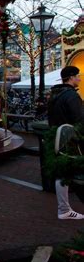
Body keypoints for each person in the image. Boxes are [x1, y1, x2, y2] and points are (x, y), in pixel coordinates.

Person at [47, 65, 84, 220]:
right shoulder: (71, 96)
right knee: (69, 173)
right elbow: (80, 120)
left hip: (57, 138)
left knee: (62, 173)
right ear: (71, 77)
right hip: (71, 140)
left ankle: (64, 209)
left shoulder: (55, 94)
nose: (80, 79)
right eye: (78, 76)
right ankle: (64, 210)